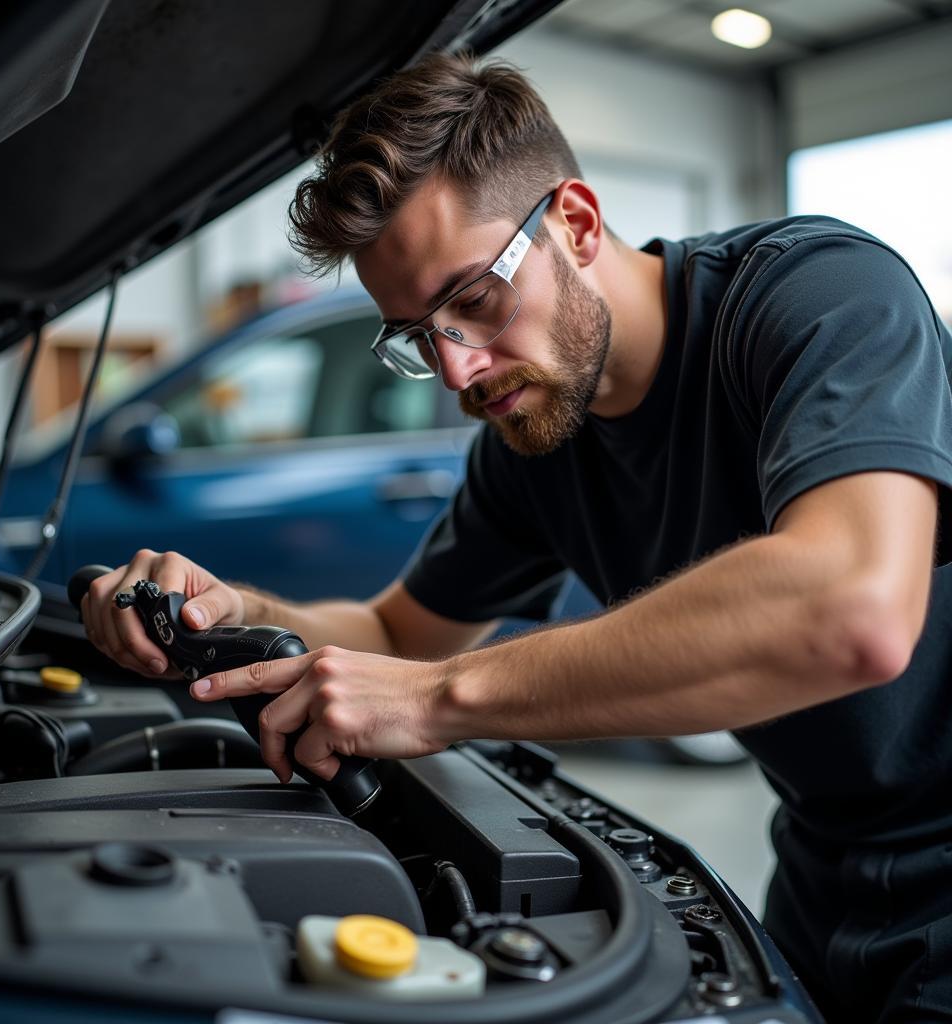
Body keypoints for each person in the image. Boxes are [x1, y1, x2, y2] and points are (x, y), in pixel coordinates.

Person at [80, 53, 952, 1023]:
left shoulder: (817, 297)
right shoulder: (537, 443)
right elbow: (398, 636)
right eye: (418, 336)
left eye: (476, 300)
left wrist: (447, 699)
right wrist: (237, 607)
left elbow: (853, 610)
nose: (456, 373)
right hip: (819, 882)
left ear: (574, 223)